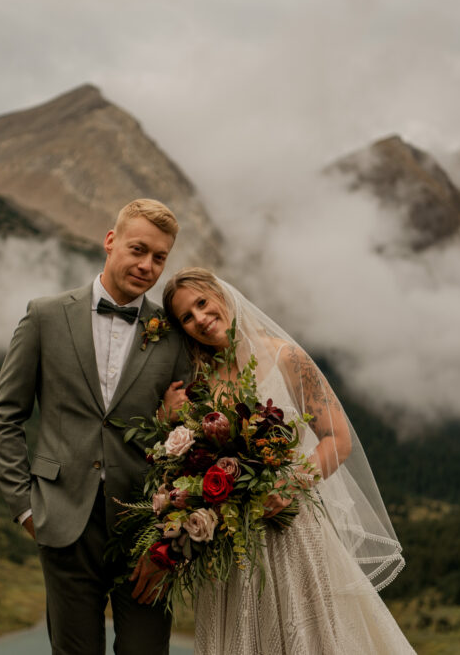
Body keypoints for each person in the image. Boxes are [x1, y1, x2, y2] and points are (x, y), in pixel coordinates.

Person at [160, 267, 415, 655]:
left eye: (201, 303)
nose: (200, 319)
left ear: (222, 295)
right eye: (187, 318)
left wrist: (288, 486)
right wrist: (169, 419)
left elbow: (338, 440)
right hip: (234, 545)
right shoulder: (202, 383)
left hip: (290, 527)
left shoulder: (285, 356)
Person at [0, 199, 191, 655]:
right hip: (61, 523)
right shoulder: (43, 315)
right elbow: (4, 417)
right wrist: (26, 509)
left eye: (159, 257)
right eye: (138, 249)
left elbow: (189, 439)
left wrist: (171, 535)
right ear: (110, 240)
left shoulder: (174, 334)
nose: (147, 265)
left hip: (145, 531)